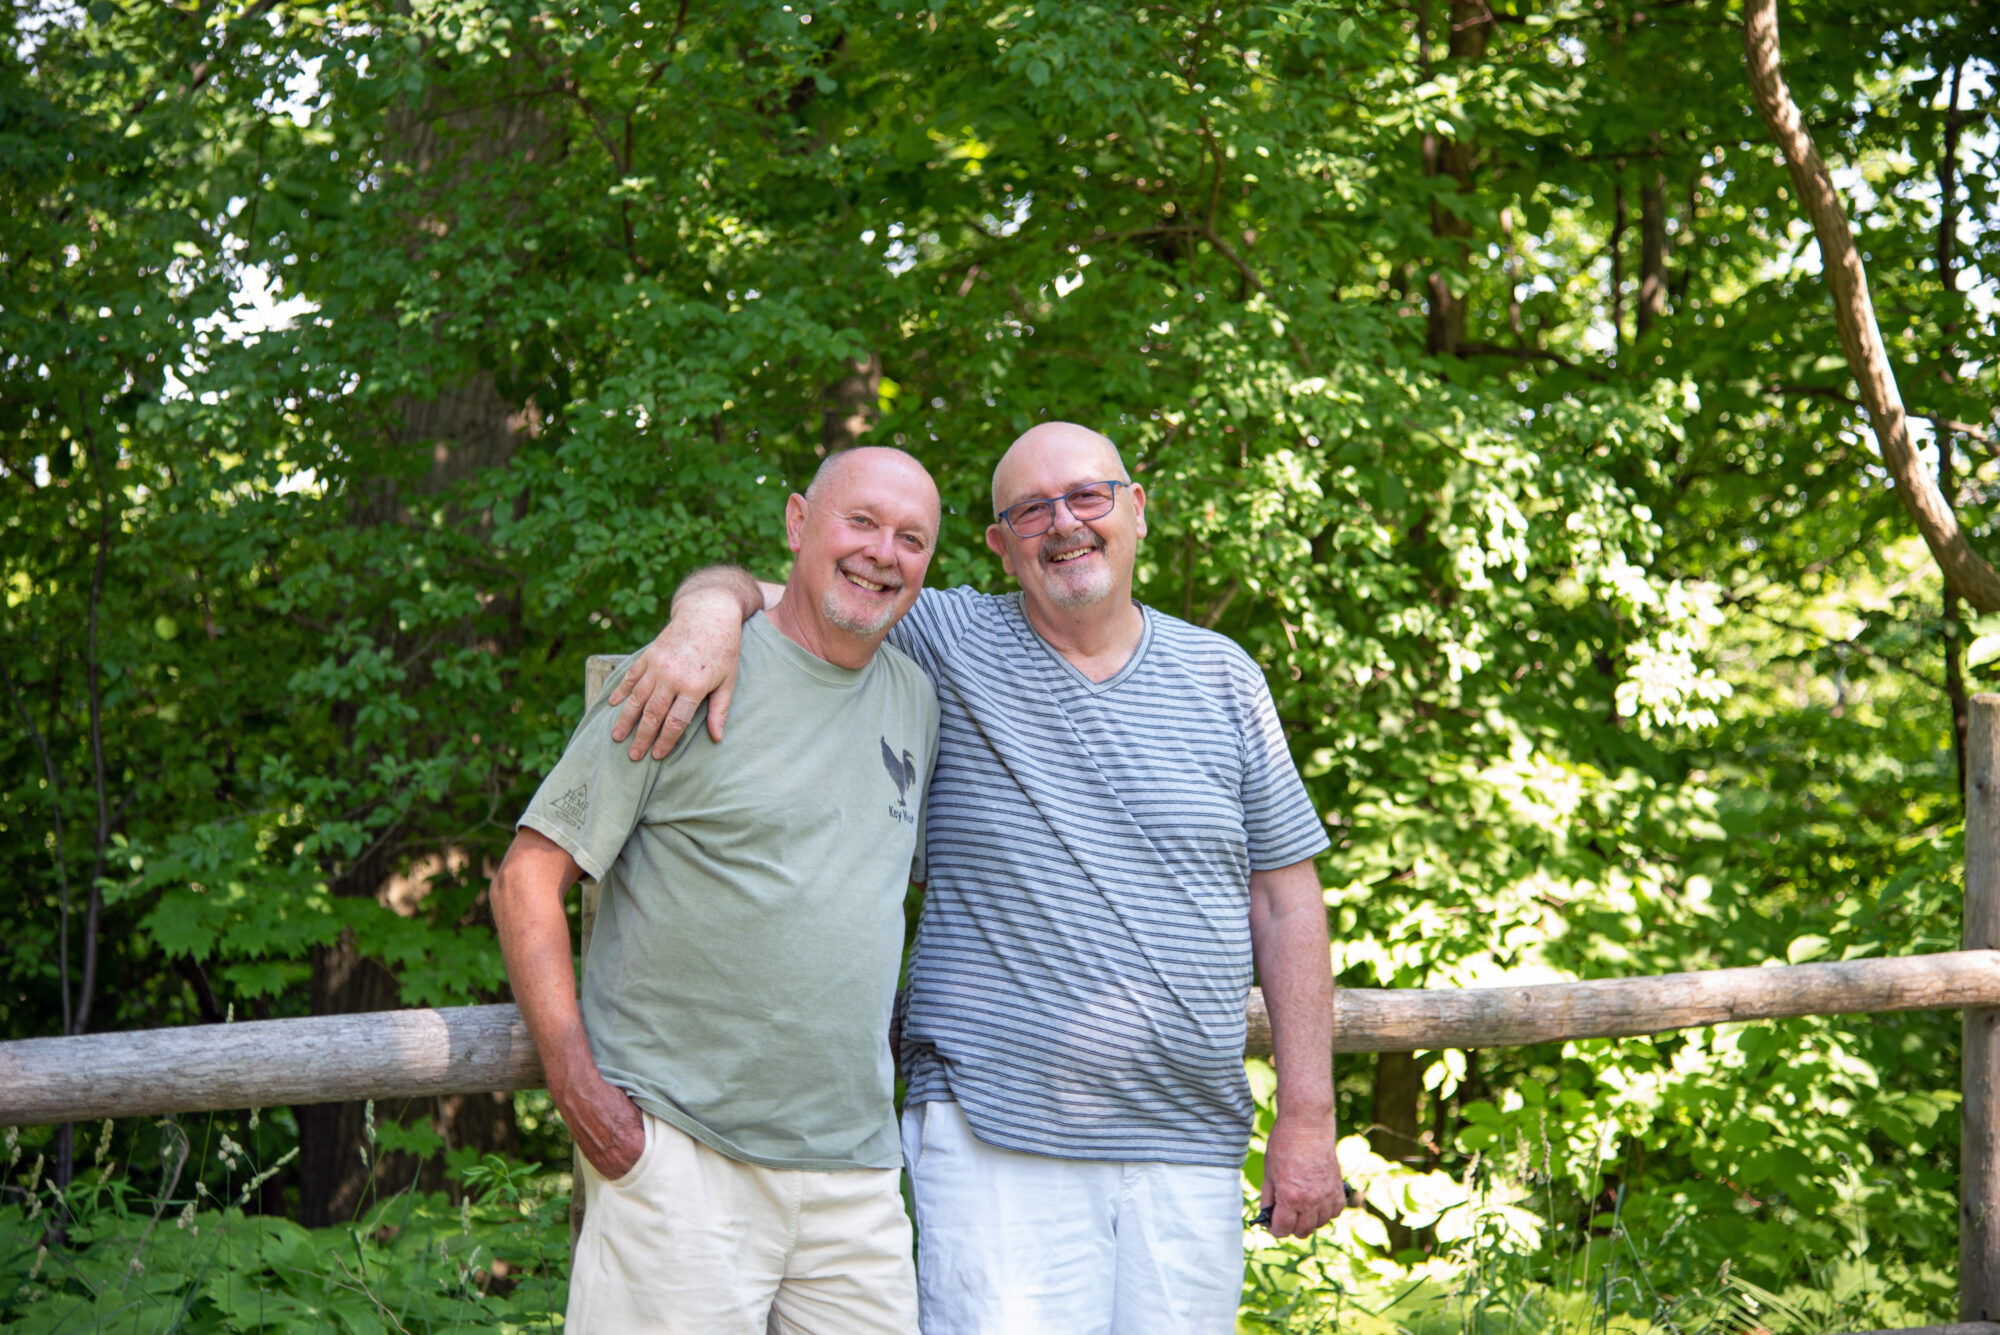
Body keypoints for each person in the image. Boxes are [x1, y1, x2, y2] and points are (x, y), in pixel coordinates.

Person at [613, 422, 1346, 1334]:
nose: (1064, 524)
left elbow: (1286, 901)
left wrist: (1307, 1118)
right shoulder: (945, 638)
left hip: (1189, 1142)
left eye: (1087, 496)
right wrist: (704, 617)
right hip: (996, 1136)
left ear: (1137, 509)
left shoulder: (1225, 677)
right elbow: (789, 591)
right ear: (1001, 545)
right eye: (1030, 510)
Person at [490, 446, 943, 1335]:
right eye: (861, 521)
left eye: (912, 537)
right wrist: (577, 1087)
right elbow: (525, 882)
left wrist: (715, 592)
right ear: (797, 523)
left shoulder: (915, 699)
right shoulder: (677, 678)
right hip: (682, 1158)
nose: (883, 552)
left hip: (854, 1174)